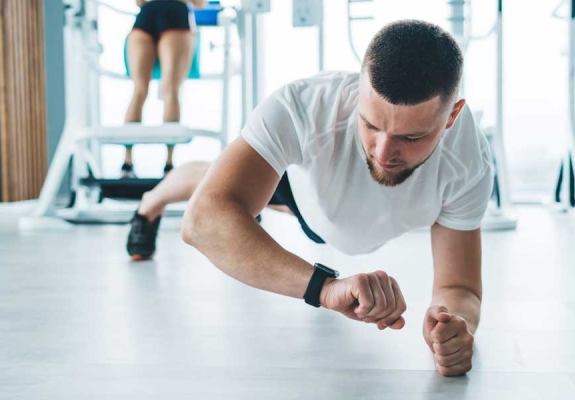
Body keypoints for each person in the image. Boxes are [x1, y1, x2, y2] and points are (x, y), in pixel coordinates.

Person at [127, 20, 493, 377]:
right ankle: (150, 203)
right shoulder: (304, 106)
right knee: (212, 183)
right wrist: (326, 289)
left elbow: (458, 287)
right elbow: (203, 221)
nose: (383, 153)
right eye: (370, 124)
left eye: (410, 138)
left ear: (452, 115)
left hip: (342, 214)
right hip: (305, 192)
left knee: (226, 192)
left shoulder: (468, 161)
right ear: (360, 89)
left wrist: (453, 324)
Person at [121, 0, 208, 178]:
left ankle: (127, 164)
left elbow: (139, 2)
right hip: (173, 13)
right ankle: (168, 165)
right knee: (169, 90)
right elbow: (200, 3)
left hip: (149, 14)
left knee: (142, 91)